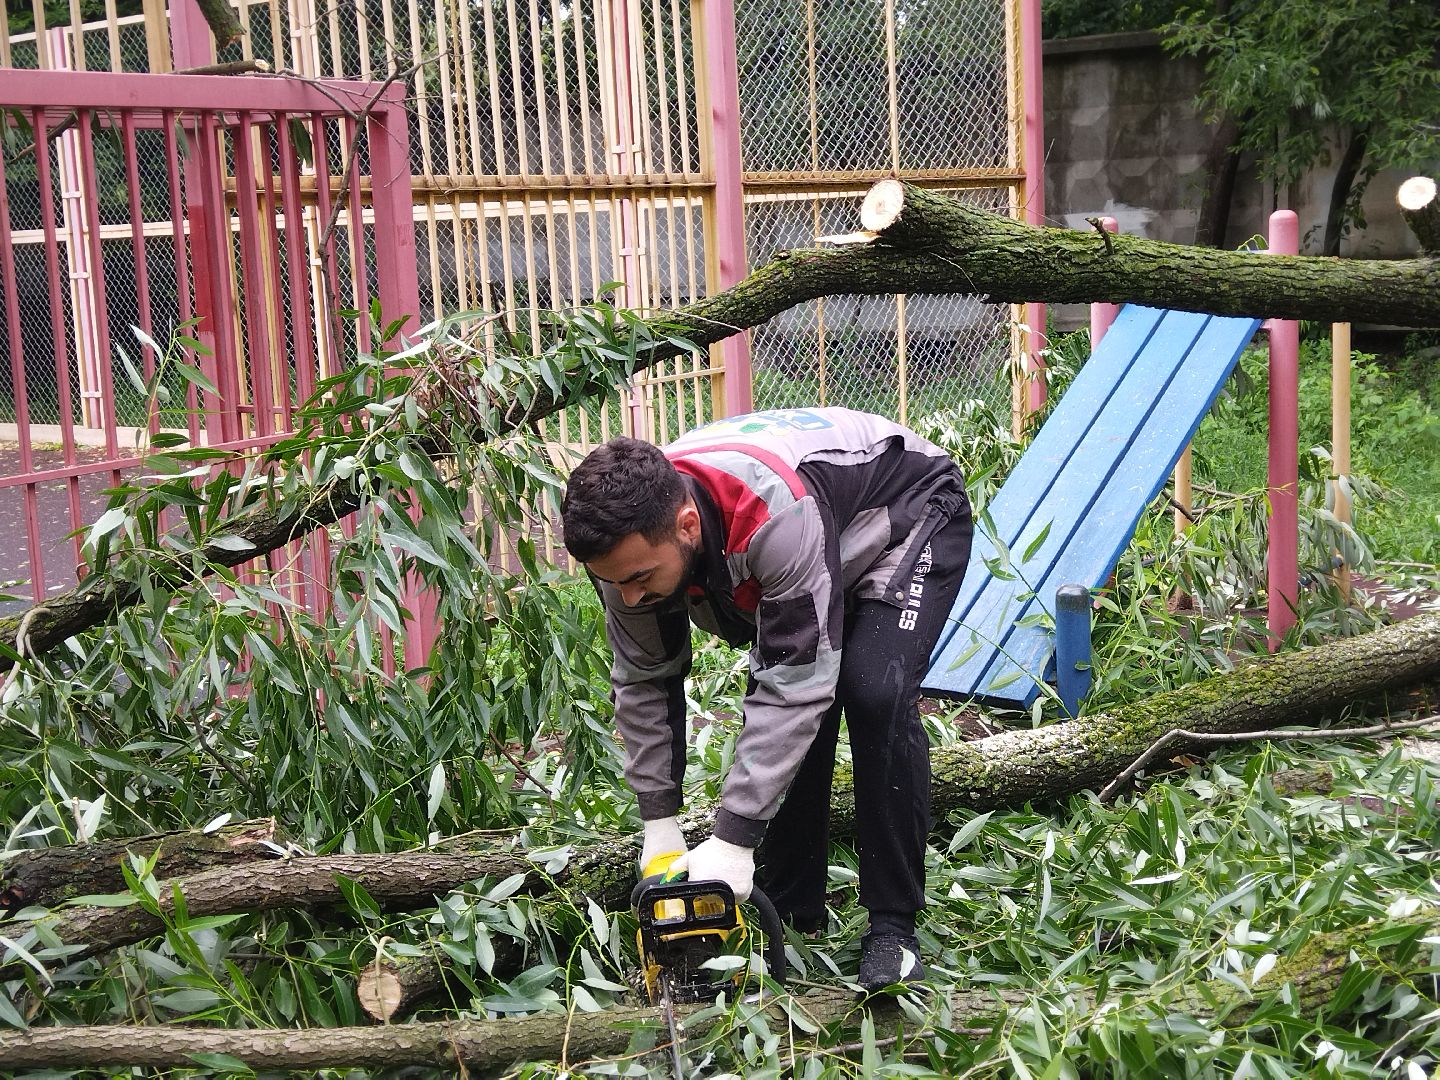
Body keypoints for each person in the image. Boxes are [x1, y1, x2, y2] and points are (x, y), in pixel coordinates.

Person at [560, 407, 973, 991]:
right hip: (821, 540)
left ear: (685, 525)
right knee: (800, 695)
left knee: (872, 690)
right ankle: (795, 907)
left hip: (902, 516)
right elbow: (646, 679)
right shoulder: (629, 551)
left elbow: (794, 684)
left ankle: (893, 929)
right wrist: (660, 821)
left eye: (639, 577)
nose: (628, 599)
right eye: (614, 582)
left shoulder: (769, 513)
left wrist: (731, 838)